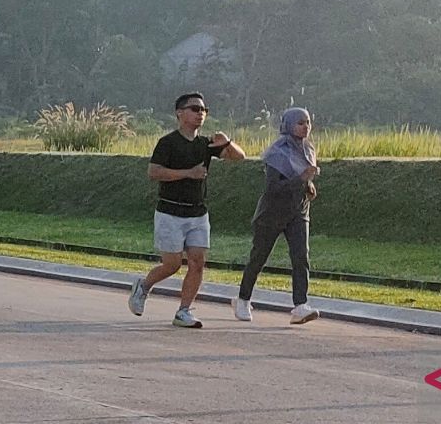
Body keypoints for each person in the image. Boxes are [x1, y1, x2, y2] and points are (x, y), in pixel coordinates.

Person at [127, 92, 246, 328]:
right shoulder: (168, 143)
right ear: (180, 114)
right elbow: (154, 172)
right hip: (170, 212)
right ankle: (144, 286)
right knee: (172, 265)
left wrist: (227, 143)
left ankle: (184, 311)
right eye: (194, 109)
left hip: (198, 213)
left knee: (198, 262)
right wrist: (187, 174)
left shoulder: (206, 144)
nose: (200, 113)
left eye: (203, 110)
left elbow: (239, 158)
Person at [233, 107, 321, 325]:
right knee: (259, 257)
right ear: (288, 125)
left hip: (299, 211)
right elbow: (273, 187)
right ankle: (243, 299)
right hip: (272, 213)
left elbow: (302, 179)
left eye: (308, 122)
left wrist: (308, 186)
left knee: (301, 257)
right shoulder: (276, 153)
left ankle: (300, 305)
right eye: (300, 123)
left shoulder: (308, 149)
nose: (305, 127)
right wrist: (301, 179)